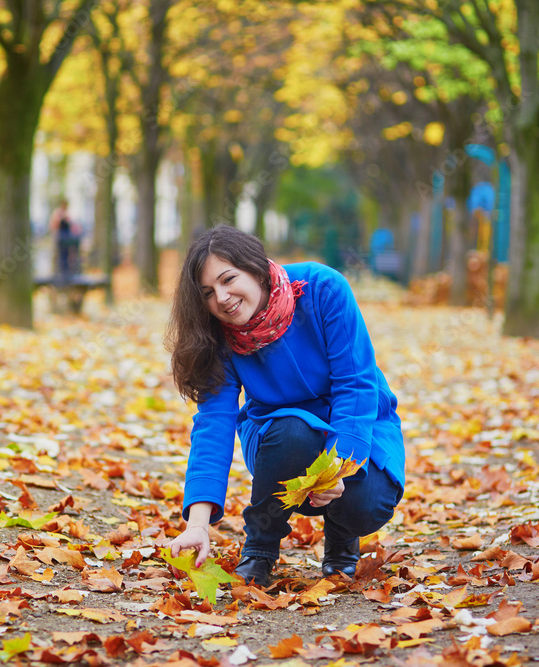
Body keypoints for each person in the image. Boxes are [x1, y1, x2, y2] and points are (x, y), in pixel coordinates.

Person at [166, 225, 405, 587]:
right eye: (208, 293)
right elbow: (213, 423)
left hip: (357, 423)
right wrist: (197, 523)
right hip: (279, 436)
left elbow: (354, 384)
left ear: (256, 268)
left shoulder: (323, 288)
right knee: (292, 429)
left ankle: (341, 535)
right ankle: (260, 549)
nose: (223, 298)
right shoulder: (219, 333)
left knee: (368, 503)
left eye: (229, 279)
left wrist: (337, 469)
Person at [49, 198, 82, 281]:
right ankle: (61, 273)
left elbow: (74, 228)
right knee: (61, 256)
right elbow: (53, 226)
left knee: (68, 255)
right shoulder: (57, 214)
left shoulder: (69, 215)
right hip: (60, 240)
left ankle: (69, 272)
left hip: (67, 241)